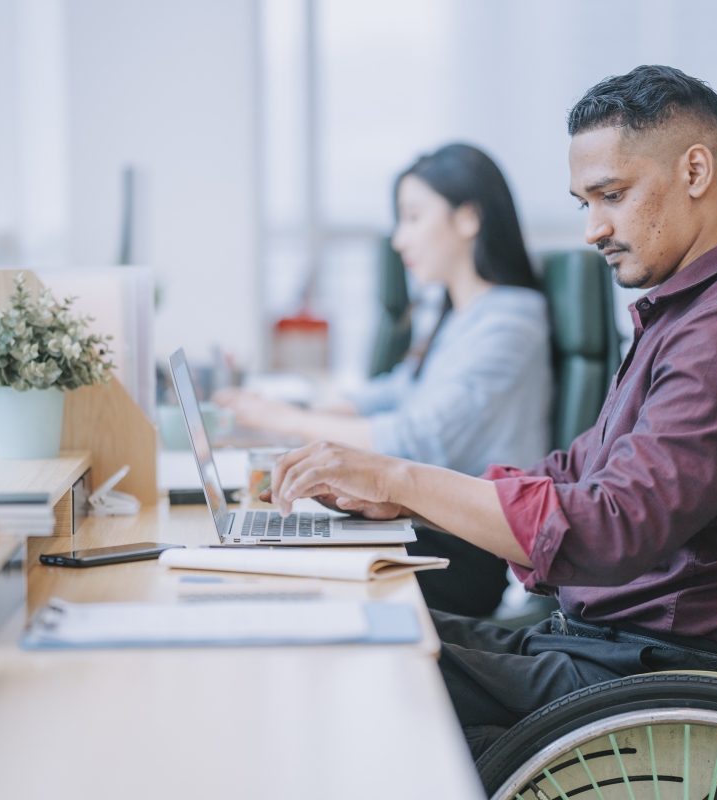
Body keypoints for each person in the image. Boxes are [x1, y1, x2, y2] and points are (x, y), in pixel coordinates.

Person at [266, 65, 717, 757]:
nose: (594, 229)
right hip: (601, 649)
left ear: (695, 171)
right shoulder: (689, 317)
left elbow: (612, 527)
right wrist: (404, 501)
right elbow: (577, 469)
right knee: (364, 628)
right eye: (583, 203)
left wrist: (399, 481)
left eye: (612, 196)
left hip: (654, 678)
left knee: (363, 667)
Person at [218, 143, 554, 617]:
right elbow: (398, 391)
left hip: (462, 547)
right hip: (421, 518)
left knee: (291, 577)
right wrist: (285, 417)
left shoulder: (511, 320)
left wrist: (285, 418)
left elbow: (418, 435)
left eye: (413, 217)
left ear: (467, 219)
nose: (400, 240)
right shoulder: (451, 311)